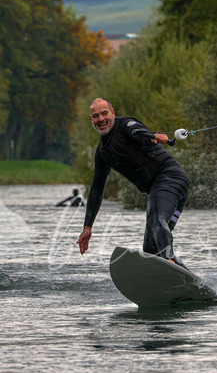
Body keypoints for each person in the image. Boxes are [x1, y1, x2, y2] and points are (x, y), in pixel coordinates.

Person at [77, 97, 189, 265]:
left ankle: (170, 259)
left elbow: (138, 132)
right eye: (95, 116)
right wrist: (87, 227)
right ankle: (187, 282)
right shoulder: (102, 153)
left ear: (113, 113)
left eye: (104, 113)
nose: (100, 119)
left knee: (159, 223)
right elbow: (96, 190)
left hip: (170, 179)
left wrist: (153, 136)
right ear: (91, 120)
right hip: (161, 191)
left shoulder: (126, 125)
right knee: (151, 251)